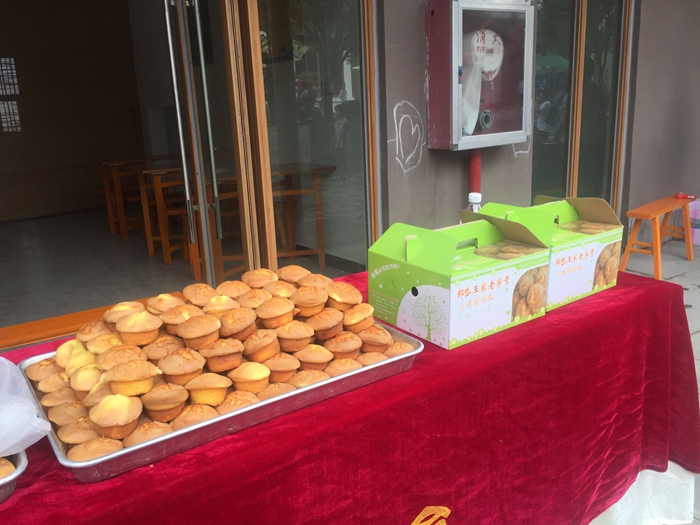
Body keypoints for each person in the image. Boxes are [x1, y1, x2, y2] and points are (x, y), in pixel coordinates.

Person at [329, 105, 350, 173]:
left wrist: (347, 146)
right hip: (337, 145)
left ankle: (347, 175)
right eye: (336, 111)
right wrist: (331, 146)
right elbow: (334, 134)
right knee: (339, 161)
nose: (336, 112)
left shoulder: (345, 122)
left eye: (338, 111)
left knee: (343, 161)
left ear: (342, 112)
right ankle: (345, 175)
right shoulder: (336, 123)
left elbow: (347, 135)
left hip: (343, 145)